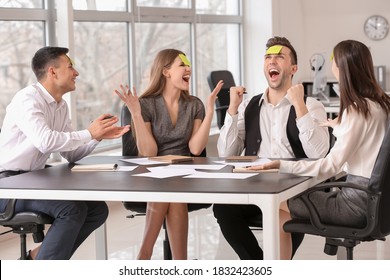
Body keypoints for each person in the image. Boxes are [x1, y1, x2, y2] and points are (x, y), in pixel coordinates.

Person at [249, 39, 390, 259]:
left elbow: (330, 166)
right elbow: (368, 143)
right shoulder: (380, 105)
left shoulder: (356, 109)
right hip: (379, 203)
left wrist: (280, 164)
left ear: (341, 67)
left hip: (356, 204)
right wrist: (340, 127)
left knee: (276, 206)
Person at [0, 46, 130, 260]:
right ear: (52, 71)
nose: (76, 73)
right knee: (71, 209)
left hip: (30, 182)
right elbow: (46, 141)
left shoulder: (60, 106)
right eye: (70, 67)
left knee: (97, 210)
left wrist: (97, 136)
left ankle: (37, 259)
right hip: (8, 187)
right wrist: (89, 132)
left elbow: (71, 154)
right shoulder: (27, 100)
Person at [213, 36, 330, 260]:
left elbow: (318, 154)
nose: (272, 61)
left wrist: (299, 106)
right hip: (256, 187)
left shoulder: (312, 106)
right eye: (268, 57)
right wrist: (232, 110)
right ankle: (258, 265)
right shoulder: (249, 106)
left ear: (293, 68)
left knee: (283, 212)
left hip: (295, 188)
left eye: (279, 56)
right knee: (223, 207)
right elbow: (226, 155)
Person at [114, 49, 223, 260]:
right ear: (165, 71)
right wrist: (135, 113)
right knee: (170, 190)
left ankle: (143, 256)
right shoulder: (145, 105)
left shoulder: (195, 105)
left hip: (186, 172)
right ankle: (179, 262)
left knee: (171, 188)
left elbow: (195, 148)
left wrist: (210, 111)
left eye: (188, 65)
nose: (188, 69)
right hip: (153, 172)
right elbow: (149, 152)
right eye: (182, 64)